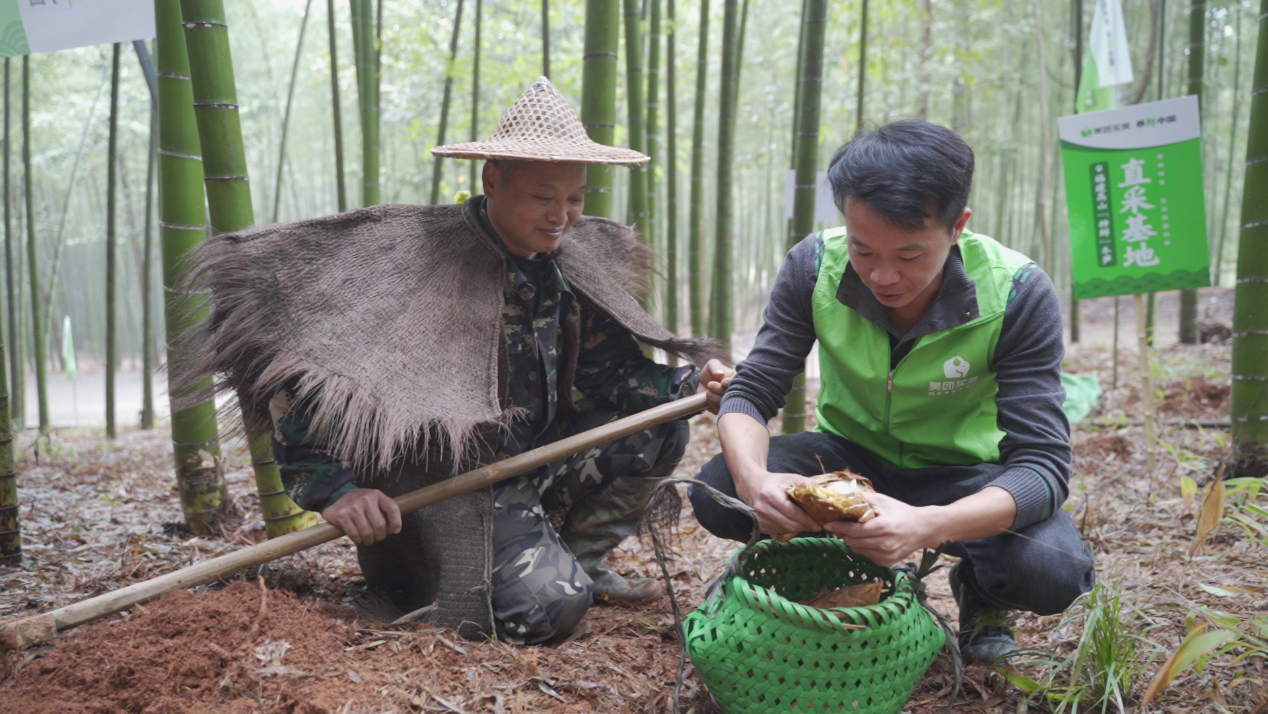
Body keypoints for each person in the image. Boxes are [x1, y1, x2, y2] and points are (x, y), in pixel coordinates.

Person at [187, 78, 733, 645]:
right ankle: (499, 576)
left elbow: (612, 375)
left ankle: (579, 560)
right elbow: (304, 377)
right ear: (491, 180)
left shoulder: (568, 264)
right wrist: (334, 490)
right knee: (546, 616)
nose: (562, 216)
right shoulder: (414, 260)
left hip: (540, 459)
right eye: (543, 197)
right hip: (455, 480)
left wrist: (696, 382)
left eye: (575, 198)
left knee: (661, 421)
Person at [688, 120, 1094, 663]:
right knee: (718, 487)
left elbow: (1043, 468)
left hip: (963, 473)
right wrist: (755, 480)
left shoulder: (1018, 292)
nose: (882, 276)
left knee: (1051, 569)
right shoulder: (813, 266)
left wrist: (927, 525)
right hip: (845, 464)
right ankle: (834, 576)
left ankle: (982, 592)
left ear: (957, 228)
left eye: (908, 256)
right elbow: (754, 389)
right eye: (863, 250)